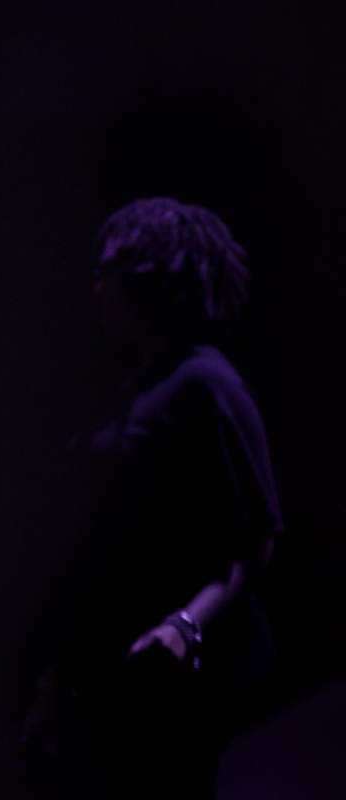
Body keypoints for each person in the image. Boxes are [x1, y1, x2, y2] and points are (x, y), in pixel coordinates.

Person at [25, 198, 283, 799]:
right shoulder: (139, 385)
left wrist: (187, 625)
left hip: (178, 678)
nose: (96, 284)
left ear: (151, 278)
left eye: (108, 269)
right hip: (121, 673)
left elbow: (258, 537)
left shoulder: (207, 384)